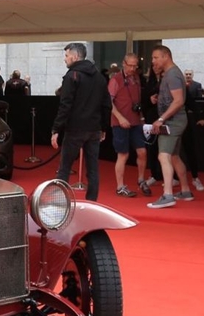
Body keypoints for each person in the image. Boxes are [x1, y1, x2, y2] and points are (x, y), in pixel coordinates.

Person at [51, 43, 111, 201]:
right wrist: (103, 127)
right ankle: (92, 201)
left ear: (75, 56)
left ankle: (60, 201)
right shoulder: (100, 77)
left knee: (64, 167)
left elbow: (65, 105)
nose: (65, 59)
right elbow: (106, 104)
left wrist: (56, 129)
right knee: (93, 168)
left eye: (66, 55)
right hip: (94, 128)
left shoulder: (72, 76)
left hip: (76, 128)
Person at [147, 45, 194, 208]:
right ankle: (185, 190)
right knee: (174, 156)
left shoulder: (173, 74)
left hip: (172, 121)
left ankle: (168, 194)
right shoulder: (170, 74)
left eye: (155, 57)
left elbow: (179, 101)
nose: (153, 61)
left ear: (166, 56)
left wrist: (161, 118)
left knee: (163, 155)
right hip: (174, 120)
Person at [108, 53, 150, 197]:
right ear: (123, 63)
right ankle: (120, 186)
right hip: (120, 122)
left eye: (135, 65)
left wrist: (142, 117)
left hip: (136, 120)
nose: (132, 68)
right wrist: (120, 118)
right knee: (123, 154)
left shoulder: (137, 78)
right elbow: (109, 102)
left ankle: (141, 179)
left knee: (142, 152)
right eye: (130, 65)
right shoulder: (115, 79)